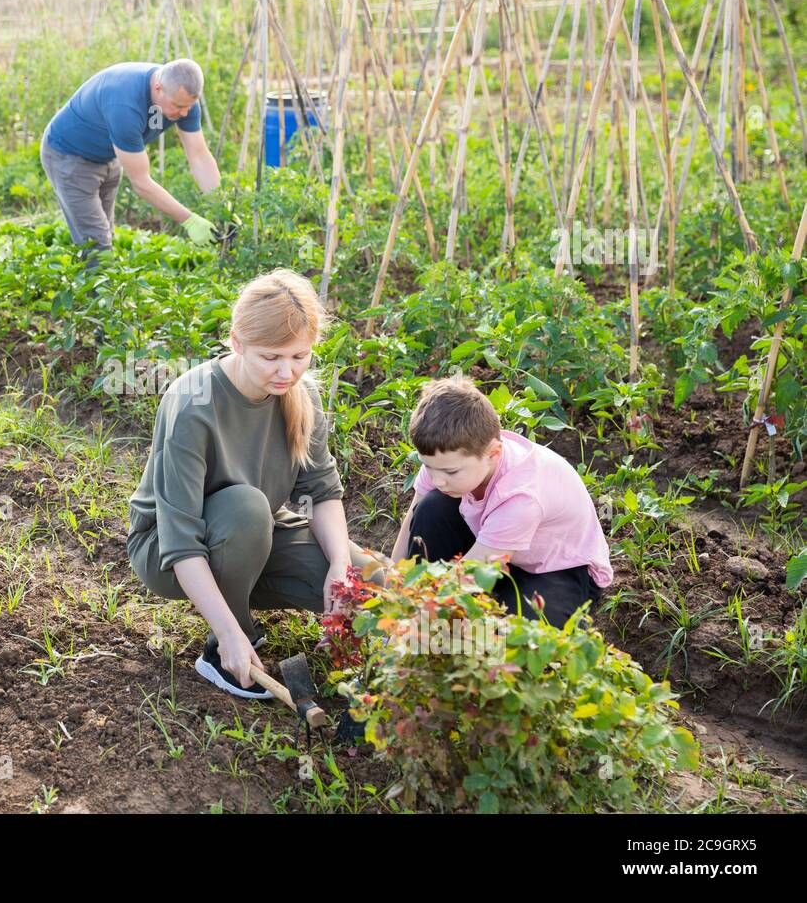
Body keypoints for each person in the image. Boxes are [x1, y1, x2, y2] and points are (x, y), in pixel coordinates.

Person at [127, 269, 378, 698]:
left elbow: (320, 490)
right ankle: (226, 643)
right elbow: (181, 540)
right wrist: (228, 632)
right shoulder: (193, 404)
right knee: (246, 507)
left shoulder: (302, 395)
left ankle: (242, 594)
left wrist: (339, 566)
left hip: (255, 536)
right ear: (236, 342)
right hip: (170, 552)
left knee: (368, 581)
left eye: (300, 357)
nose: (287, 372)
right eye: (271, 357)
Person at [389, 376, 612, 628]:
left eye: (450, 473)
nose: (438, 479)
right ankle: (431, 605)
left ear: (493, 453)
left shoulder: (520, 497)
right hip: (496, 549)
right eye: (428, 467)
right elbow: (412, 522)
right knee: (431, 507)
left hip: (556, 570)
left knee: (524, 636)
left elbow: (470, 577)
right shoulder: (445, 461)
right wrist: (395, 585)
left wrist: (419, 621)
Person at [41, 59, 221, 259]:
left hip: (109, 155)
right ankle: (98, 289)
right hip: (69, 156)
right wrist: (189, 220)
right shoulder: (125, 104)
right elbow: (141, 183)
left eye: (189, 106)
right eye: (178, 106)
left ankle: (103, 284)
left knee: (105, 233)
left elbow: (199, 156)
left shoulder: (183, 99)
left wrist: (221, 204)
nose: (184, 113)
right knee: (96, 242)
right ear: (158, 87)